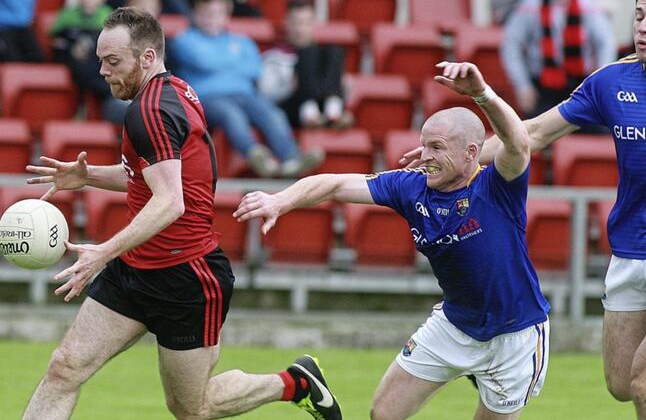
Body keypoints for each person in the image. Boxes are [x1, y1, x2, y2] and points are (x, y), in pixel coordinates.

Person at [402, 0, 646, 420]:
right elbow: (532, 133)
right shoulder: (610, 81)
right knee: (621, 384)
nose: (643, 26)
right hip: (630, 245)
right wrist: (459, 162)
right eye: (639, 15)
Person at [22, 6, 341, 420]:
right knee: (65, 368)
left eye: (113, 61)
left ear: (148, 58)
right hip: (136, 270)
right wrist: (87, 177)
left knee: (192, 408)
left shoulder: (149, 110)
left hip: (186, 279)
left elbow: (172, 201)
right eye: (101, 60)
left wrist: (102, 252)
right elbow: (157, 176)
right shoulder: (174, 90)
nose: (102, 71)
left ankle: (295, 382)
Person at [234, 61, 551, 420]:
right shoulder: (409, 187)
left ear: (471, 154)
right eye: (424, 145)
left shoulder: (496, 187)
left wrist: (481, 94)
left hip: (515, 335)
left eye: (437, 147)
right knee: (382, 414)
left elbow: (519, 142)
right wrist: (281, 200)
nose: (426, 157)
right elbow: (335, 184)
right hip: (455, 324)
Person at [168, 0, 324, 178]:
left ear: (227, 15)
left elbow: (255, 69)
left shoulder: (242, 41)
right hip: (207, 98)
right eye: (206, 13)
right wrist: (233, 62)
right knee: (231, 115)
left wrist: (218, 63)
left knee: (272, 113)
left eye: (217, 13)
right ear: (195, 14)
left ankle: (290, 159)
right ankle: (257, 156)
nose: (211, 18)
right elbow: (203, 61)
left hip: (245, 94)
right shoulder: (185, 39)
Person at [501, 0, 615, 119]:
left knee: (602, 131)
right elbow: (511, 45)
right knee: (535, 132)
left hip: (581, 86)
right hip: (543, 88)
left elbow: (606, 44)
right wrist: (523, 86)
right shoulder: (530, 4)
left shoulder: (588, 5)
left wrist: (600, 82)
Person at [260, 0, 352, 130]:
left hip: (322, 108)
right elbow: (265, 95)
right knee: (306, 53)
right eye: (297, 22)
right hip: (292, 107)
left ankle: (333, 110)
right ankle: (310, 111)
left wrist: (345, 87)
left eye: (306, 22)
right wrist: (290, 86)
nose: (301, 29)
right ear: (287, 23)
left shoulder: (324, 56)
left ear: (313, 24)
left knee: (334, 51)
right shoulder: (274, 56)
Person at [50, 0, 128, 125]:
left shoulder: (107, 15)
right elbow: (55, 37)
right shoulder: (68, 15)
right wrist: (73, 46)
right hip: (73, 59)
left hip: (97, 59)